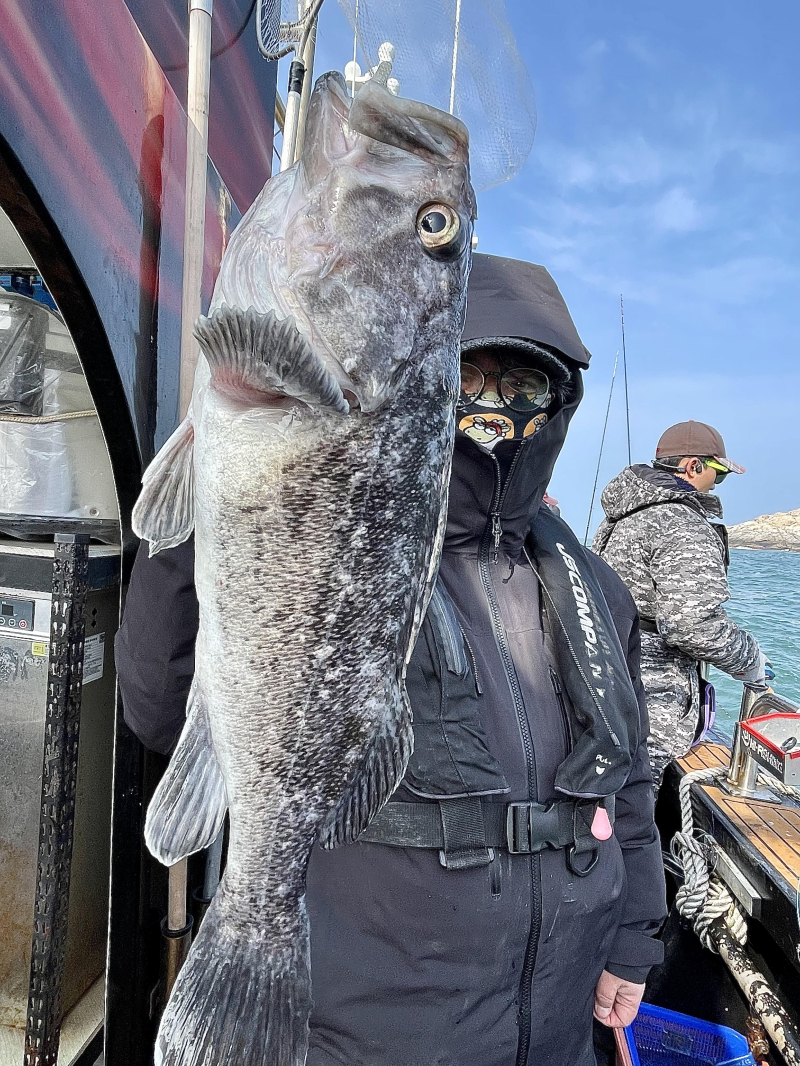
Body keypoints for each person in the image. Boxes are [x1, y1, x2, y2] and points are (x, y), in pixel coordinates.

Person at [115, 253, 666, 1066]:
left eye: (524, 389)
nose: (494, 410)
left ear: (560, 406)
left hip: (556, 1023)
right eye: (470, 378)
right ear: (428, 382)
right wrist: (219, 494)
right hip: (374, 1025)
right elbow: (158, 710)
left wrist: (634, 940)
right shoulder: (340, 542)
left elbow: (629, 781)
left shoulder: (598, 587)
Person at [592, 421, 766, 791]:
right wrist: (751, 662)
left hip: (605, 674)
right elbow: (692, 625)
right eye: (718, 473)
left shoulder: (621, 517)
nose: (717, 484)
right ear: (693, 467)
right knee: (633, 801)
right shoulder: (681, 523)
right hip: (652, 697)